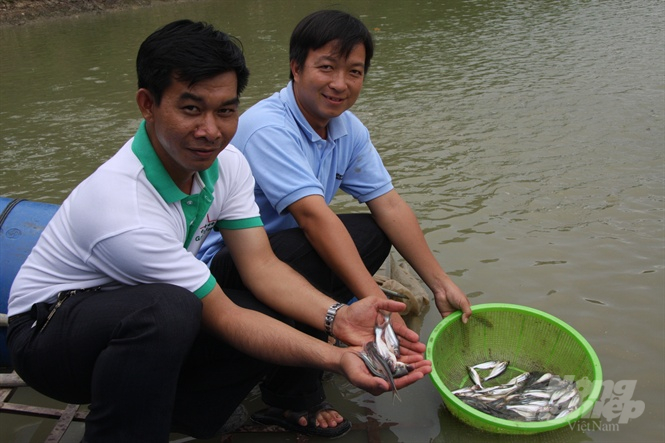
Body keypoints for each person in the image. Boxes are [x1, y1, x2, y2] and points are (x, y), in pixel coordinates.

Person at [6, 19, 431, 442]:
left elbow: (262, 265)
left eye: (225, 110)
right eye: (191, 109)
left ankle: (184, 414)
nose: (211, 130)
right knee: (170, 310)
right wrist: (337, 359)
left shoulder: (226, 165)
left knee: (260, 303)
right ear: (148, 104)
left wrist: (339, 319)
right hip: (50, 334)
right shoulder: (123, 206)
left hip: (140, 308)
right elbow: (225, 318)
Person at [198, 9, 473, 431]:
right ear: (296, 67)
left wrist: (441, 283)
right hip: (233, 264)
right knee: (326, 241)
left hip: (287, 253)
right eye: (326, 67)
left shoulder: (347, 129)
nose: (340, 84)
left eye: (354, 71)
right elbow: (312, 217)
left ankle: (320, 332)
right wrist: (377, 309)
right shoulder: (266, 127)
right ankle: (292, 396)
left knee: (371, 230)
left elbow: (390, 205)